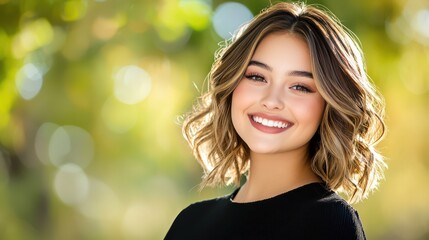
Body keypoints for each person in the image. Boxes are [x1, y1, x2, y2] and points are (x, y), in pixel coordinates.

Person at [165, 1, 386, 239]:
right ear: (232, 85)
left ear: (329, 105)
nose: (272, 100)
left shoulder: (331, 222)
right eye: (257, 77)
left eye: (300, 86)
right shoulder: (190, 222)